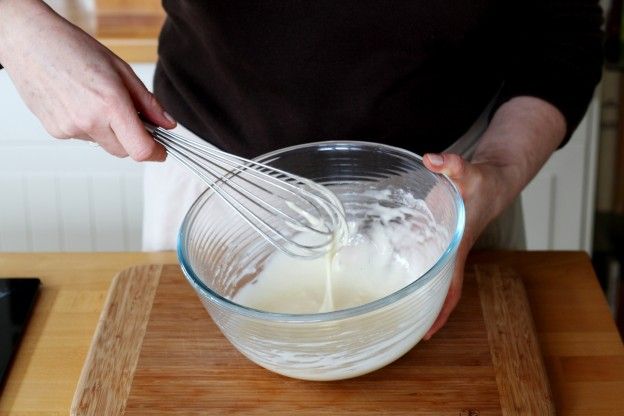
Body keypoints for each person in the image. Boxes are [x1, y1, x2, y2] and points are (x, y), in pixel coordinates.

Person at [0, 0, 604, 339]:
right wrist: (17, 27)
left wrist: (494, 177)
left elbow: (562, 35)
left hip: (456, 191)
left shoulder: (474, 188)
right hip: (213, 177)